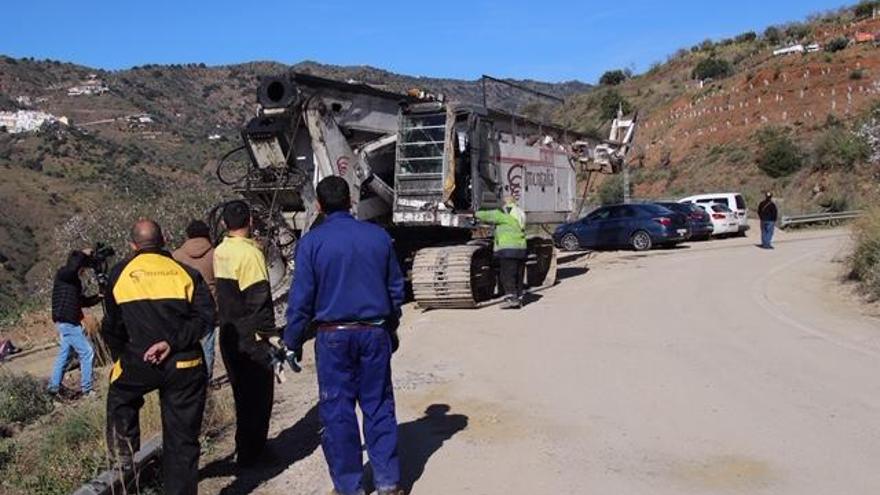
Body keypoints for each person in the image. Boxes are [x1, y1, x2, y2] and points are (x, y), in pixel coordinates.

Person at [284, 176, 405, 495]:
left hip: (332, 337)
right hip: (373, 333)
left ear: (319, 206)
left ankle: (349, 486)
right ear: (351, 201)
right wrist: (390, 328)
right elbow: (395, 288)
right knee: (378, 405)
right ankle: (388, 483)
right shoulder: (378, 237)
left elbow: (301, 299)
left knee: (337, 411)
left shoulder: (311, 243)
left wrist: (291, 342)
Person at [101, 219, 215, 495]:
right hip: (184, 362)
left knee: (120, 393)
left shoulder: (120, 274)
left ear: (132, 245)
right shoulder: (184, 272)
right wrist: (171, 343)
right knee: (182, 440)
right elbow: (206, 318)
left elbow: (111, 328)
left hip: (138, 361)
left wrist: (124, 356)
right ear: (163, 239)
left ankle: (125, 451)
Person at [214, 201, 277, 467]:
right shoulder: (250, 255)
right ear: (250, 220)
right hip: (251, 335)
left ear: (224, 225)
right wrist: (269, 336)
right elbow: (259, 299)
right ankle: (256, 452)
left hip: (229, 333)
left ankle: (244, 448)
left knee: (242, 394)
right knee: (260, 394)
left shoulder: (220, 251)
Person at [48, 249, 102, 397]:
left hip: (67, 321)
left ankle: (53, 388)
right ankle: (87, 389)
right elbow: (73, 266)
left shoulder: (74, 282)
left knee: (64, 356)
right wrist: (83, 253)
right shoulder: (64, 275)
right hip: (68, 322)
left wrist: (99, 296)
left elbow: (82, 301)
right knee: (87, 352)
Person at [173, 219, 218, 381]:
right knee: (207, 345)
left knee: (186, 343)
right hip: (208, 306)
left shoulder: (177, 255)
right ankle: (207, 380)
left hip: (184, 305)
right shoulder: (215, 254)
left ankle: (189, 377)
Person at [476, 195, 528, 309]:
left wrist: (476, 209)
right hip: (521, 248)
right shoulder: (520, 213)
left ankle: (511, 299)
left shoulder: (504, 216)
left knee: (507, 275)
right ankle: (518, 297)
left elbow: (485, 215)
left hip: (508, 250)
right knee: (518, 275)